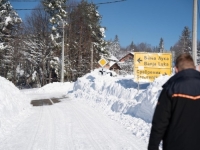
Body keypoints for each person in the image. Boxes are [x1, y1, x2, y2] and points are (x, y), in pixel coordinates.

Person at [148, 53, 200, 150]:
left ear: (176, 69)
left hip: (175, 144)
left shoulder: (171, 88)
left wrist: (153, 146)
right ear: (194, 67)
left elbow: (160, 123)